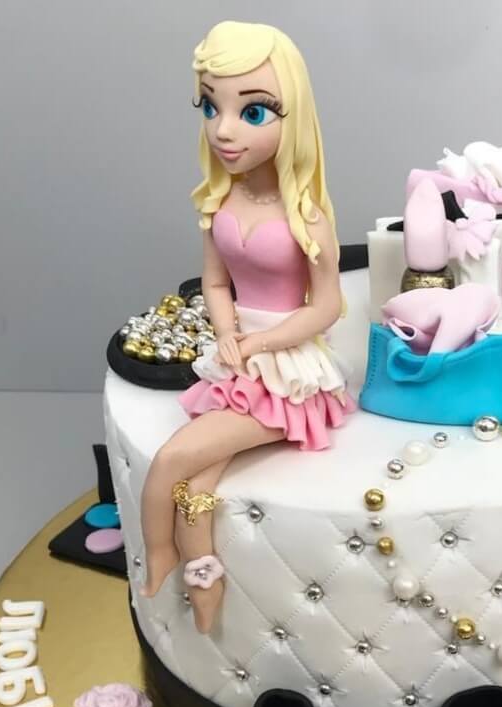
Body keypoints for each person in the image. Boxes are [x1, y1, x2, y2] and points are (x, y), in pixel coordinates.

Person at [139, 21, 353, 634]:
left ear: (293, 116)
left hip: (288, 372)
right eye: (211, 107)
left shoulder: (306, 215)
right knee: (198, 484)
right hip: (237, 361)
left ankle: (157, 555)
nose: (224, 129)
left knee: (171, 460)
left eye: (253, 112)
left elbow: (327, 307)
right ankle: (203, 579)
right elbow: (215, 283)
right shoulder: (218, 202)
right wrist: (227, 332)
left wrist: (261, 341)